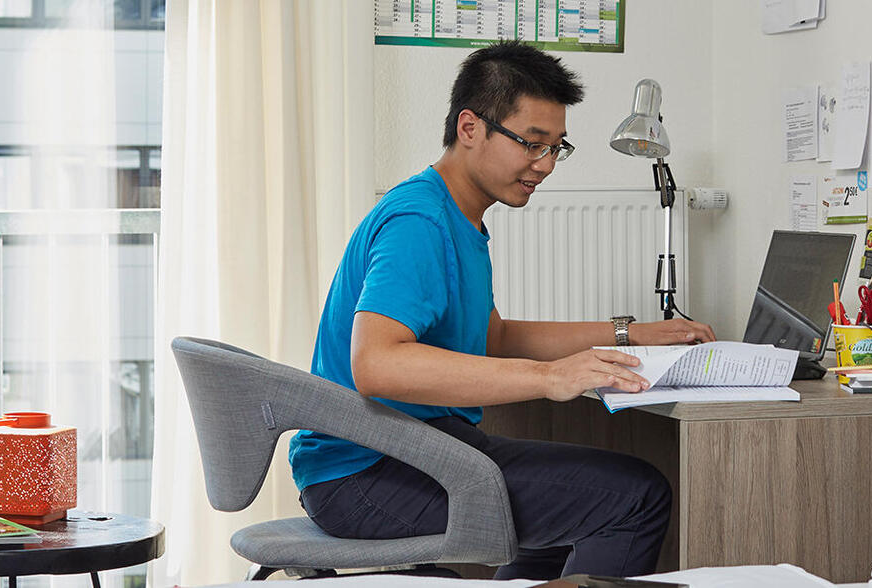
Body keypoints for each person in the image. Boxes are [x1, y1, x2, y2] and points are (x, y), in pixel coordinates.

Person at [291, 41, 717, 580]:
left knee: (585, 496)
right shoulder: (419, 223)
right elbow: (376, 365)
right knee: (634, 496)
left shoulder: (456, 215)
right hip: (366, 474)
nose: (545, 166)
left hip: (407, 453)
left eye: (557, 148)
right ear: (470, 128)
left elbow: (492, 336)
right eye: (532, 144)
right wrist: (547, 377)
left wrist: (628, 332)